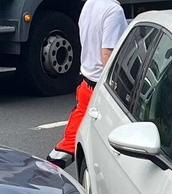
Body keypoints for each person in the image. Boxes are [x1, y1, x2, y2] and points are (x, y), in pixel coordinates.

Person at [46, 0, 128, 172]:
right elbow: (107, 54)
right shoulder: (114, 11)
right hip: (100, 88)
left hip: (85, 83)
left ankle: (46, 173)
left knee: (71, 140)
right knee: (117, 142)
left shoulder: (90, 4)